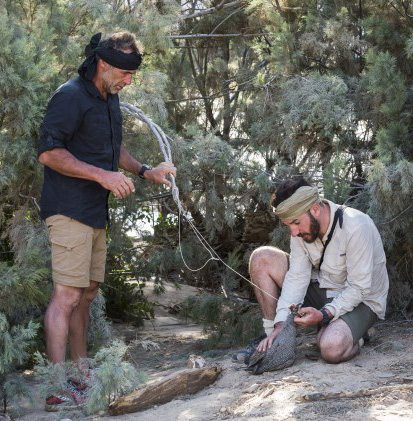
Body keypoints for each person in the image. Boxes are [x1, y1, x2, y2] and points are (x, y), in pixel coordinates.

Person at [38, 31, 176, 410]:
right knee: (66, 296)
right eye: (125, 73)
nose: (129, 80)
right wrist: (102, 176)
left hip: (95, 213)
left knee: (86, 295)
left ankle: (82, 377)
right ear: (103, 63)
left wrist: (146, 170)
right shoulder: (69, 96)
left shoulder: (108, 98)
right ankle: (55, 386)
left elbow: (112, 149)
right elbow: (49, 153)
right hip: (67, 210)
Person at [235, 177, 388, 366]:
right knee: (261, 258)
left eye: (296, 223)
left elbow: (359, 288)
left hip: (362, 300)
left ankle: (357, 334)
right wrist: (280, 324)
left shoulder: (357, 225)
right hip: (324, 289)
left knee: (331, 348)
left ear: (315, 208)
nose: (293, 232)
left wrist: (323, 315)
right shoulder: (302, 230)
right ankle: (270, 340)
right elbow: (297, 277)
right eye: (289, 225)